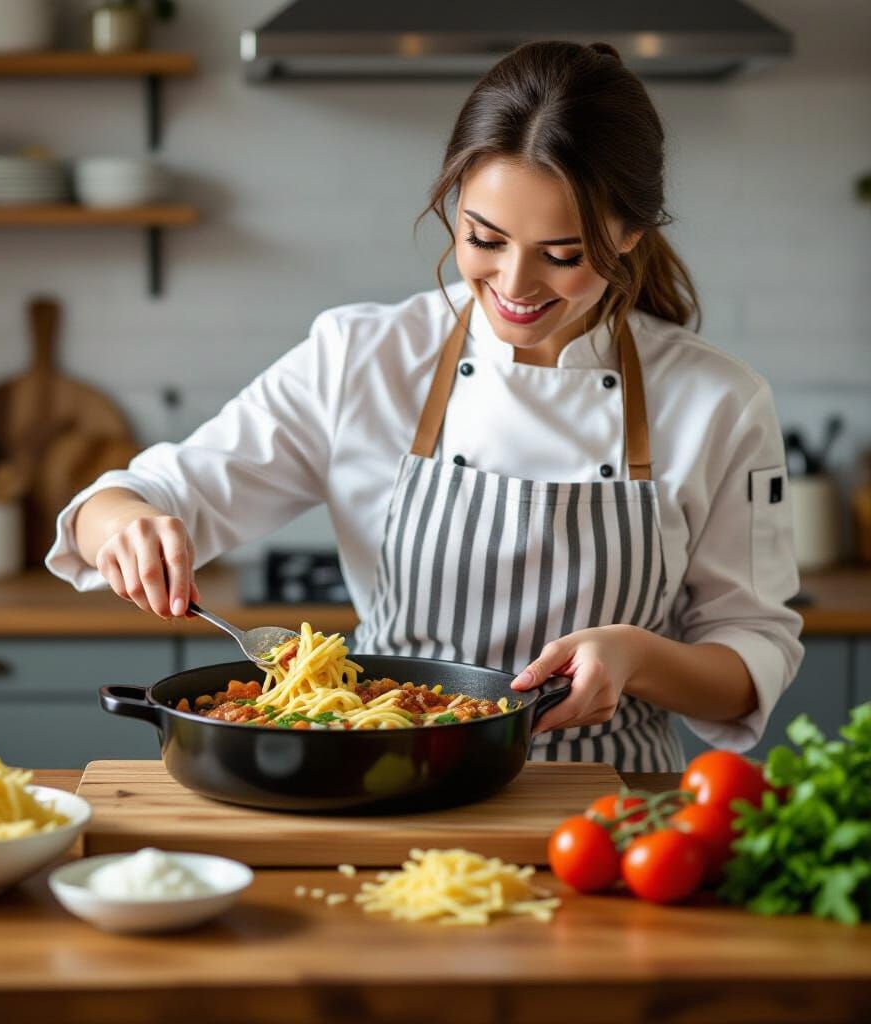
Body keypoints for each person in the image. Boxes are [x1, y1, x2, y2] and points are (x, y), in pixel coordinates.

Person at [47, 40, 802, 771]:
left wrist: (638, 657)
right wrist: (127, 524)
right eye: (484, 239)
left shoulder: (718, 402)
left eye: (562, 254)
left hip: (607, 805)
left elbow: (751, 651)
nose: (514, 283)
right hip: (387, 784)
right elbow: (144, 497)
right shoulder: (363, 357)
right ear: (453, 204)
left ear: (631, 234)